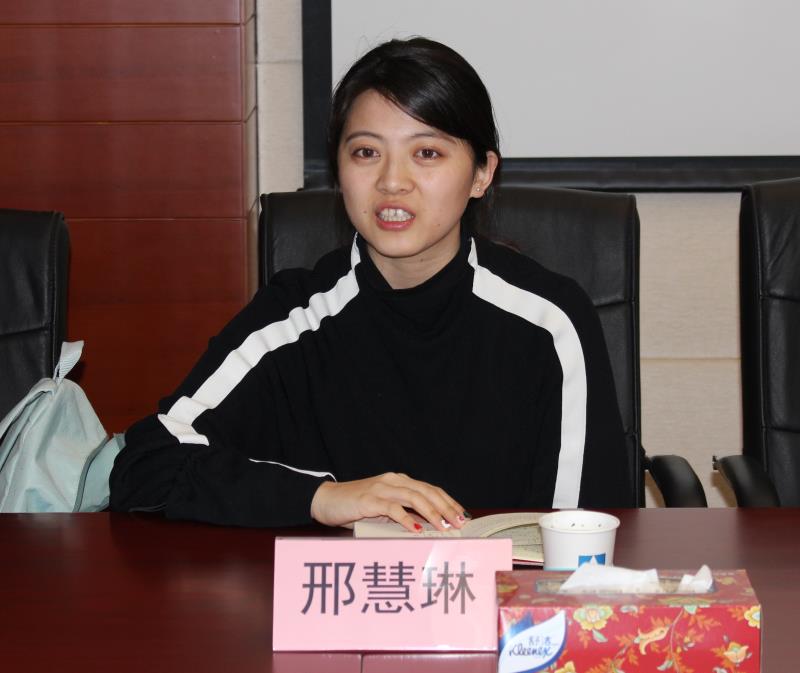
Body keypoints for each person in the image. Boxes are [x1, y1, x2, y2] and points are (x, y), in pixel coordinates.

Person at [109, 37, 634, 531]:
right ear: (338, 171)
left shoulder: (548, 321)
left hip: (498, 595)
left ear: (481, 174)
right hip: (341, 594)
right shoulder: (293, 317)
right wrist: (324, 498)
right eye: (366, 152)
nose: (392, 181)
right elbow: (146, 465)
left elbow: (586, 528)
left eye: (427, 153)